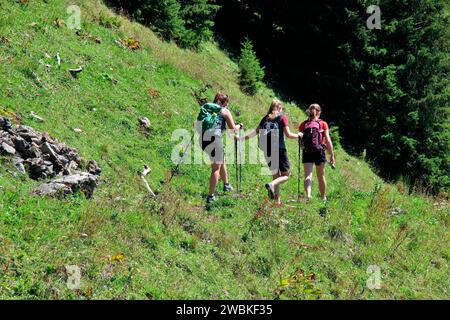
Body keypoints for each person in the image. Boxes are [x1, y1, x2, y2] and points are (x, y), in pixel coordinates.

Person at [241, 99, 301, 205]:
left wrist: (241, 138)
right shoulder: (282, 118)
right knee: (286, 175)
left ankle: (276, 202)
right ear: (279, 108)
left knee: (275, 175)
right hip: (279, 149)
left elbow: (255, 132)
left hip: (267, 149)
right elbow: (288, 135)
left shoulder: (265, 119)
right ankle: (272, 185)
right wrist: (299, 135)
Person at [199, 93, 243, 204]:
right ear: (225, 103)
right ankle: (210, 196)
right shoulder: (224, 111)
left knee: (221, 160)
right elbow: (233, 129)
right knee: (215, 168)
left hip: (203, 140)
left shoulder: (208, 108)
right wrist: (240, 126)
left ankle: (226, 185)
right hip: (215, 140)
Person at [299, 104, 335, 203]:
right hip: (319, 152)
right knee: (321, 176)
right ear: (319, 112)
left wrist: (303, 147)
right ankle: (323, 198)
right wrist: (332, 155)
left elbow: (301, 142)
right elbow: (328, 140)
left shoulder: (303, 125)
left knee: (308, 175)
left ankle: (309, 195)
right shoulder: (323, 124)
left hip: (307, 152)